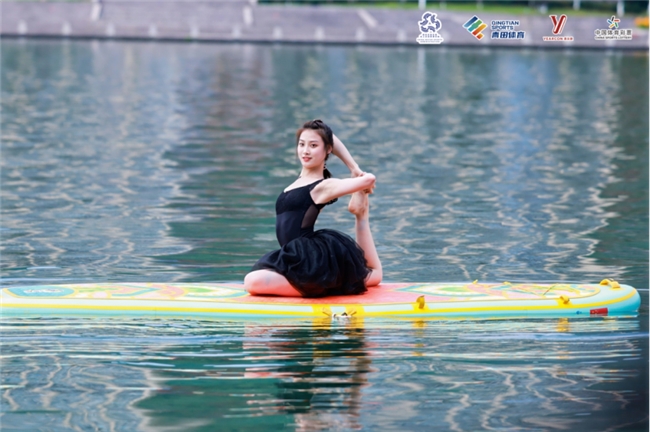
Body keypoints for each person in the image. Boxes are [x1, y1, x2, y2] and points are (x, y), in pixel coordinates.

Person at [244, 119, 382, 297]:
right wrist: (322, 140)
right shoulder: (301, 180)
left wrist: (354, 169)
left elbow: (369, 179)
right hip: (294, 256)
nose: (306, 151)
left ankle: (320, 286)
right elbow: (329, 137)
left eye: (313, 145)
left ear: (328, 149)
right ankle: (359, 213)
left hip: (309, 258)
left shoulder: (322, 186)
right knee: (255, 277)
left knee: (253, 281)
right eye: (302, 144)